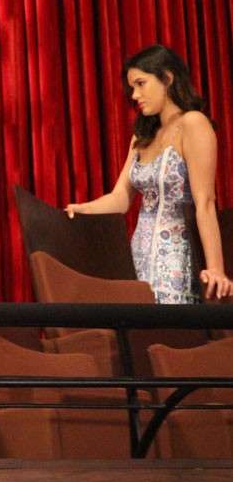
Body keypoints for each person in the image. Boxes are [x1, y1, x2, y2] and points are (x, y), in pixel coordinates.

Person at [66, 44, 231, 303]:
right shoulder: (141, 137)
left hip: (176, 263)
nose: (135, 95)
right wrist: (83, 208)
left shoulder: (193, 123)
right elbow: (120, 198)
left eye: (141, 84)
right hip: (139, 260)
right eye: (132, 87)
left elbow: (206, 203)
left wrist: (216, 269)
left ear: (167, 78)